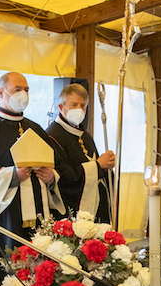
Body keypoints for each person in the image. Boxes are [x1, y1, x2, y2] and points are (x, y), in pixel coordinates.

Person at [0, 72, 68, 272]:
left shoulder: (37, 129)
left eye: (26, 90)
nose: (23, 94)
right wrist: (12, 175)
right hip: (7, 214)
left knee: (41, 267)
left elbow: (52, 165)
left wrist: (51, 177)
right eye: (17, 89)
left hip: (40, 211)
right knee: (10, 266)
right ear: (1, 92)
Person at [46, 83, 116, 223]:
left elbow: (97, 167)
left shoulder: (85, 136)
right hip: (72, 212)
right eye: (74, 105)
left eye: (83, 105)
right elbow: (65, 178)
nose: (79, 109)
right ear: (61, 107)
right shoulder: (53, 136)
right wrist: (98, 166)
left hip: (97, 208)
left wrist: (106, 165)